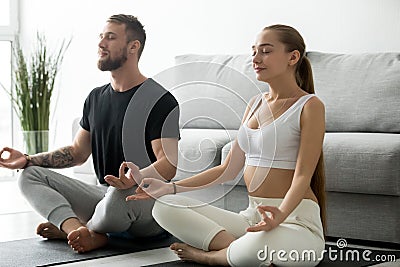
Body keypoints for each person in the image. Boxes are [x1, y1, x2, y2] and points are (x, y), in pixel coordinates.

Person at [128, 24, 326, 266]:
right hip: (252, 217)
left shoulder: (309, 106)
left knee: (259, 245)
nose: (255, 58)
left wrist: (280, 216)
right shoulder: (255, 103)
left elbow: (303, 175)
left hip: (295, 221)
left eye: (265, 51)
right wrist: (170, 188)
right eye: (253, 51)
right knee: (163, 207)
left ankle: (212, 257)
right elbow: (227, 170)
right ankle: (237, 251)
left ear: (292, 57)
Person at [0, 14, 180, 253]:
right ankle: (77, 230)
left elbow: (169, 164)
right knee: (28, 175)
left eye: (110, 37)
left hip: (145, 200)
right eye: (100, 37)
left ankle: (90, 230)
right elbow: (77, 153)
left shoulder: (160, 100)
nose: (101, 43)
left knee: (118, 193)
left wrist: (133, 178)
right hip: (104, 198)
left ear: (133, 46)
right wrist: (28, 159)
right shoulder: (96, 98)